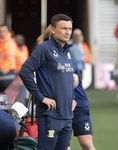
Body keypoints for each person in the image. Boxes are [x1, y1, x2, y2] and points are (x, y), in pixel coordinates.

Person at [19, 14, 75, 150]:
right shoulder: (44, 49)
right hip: (50, 116)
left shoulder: (66, 51)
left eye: (70, 29)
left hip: (67, 115)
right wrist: (41, 97)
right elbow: (24, 71)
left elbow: (64, 81)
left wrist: (72, 99)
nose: (68, 32)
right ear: (53, 30)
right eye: (64, 28)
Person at [41, 25, 95, 150]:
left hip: (79, 103)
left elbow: (74, 79)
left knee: (86, 143)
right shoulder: (43, 57)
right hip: (61, 107)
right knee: (64, 146)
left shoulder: (67, 55)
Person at [0, 24, 18, 92]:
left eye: (4, 31)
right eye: (0, 31)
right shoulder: (2, 42)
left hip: (6, 73)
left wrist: (3, 70)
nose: (2, 33)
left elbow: (10, 60)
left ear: (7, 31)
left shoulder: (10, 43)